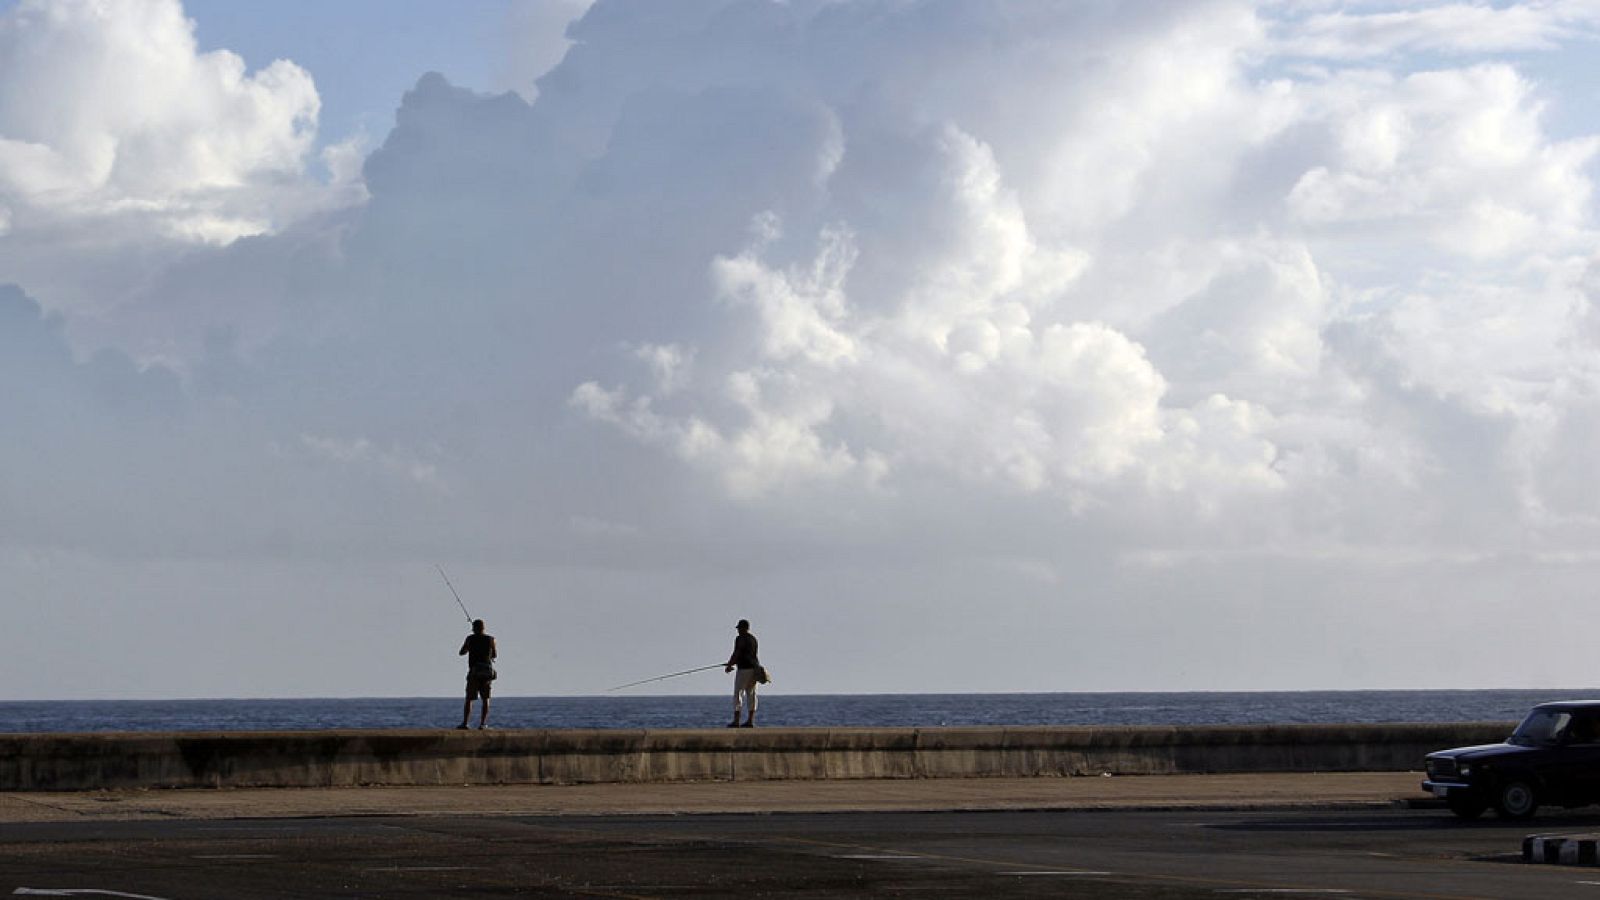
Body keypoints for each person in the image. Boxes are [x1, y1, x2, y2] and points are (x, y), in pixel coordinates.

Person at [458, 619, 497, 730]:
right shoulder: (491, 640)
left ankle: (465, 723)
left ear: (474, 628)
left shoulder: (470, 639)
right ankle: (483, 724)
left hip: (474, 672)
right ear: (483, 628)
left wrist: (469, 648)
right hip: (486, 672)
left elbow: (461, 652)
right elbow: (494, 655)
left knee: (469, 698)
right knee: (486, 699)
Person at [724, 618, 760, 728]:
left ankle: (736, 721)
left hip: (744, 669)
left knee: (738, 694)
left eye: (739, 628)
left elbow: (737, 652)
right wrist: (732, 663)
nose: (738, 630)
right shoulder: (753, 639)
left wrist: (730, 665)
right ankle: (750, 721)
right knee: (751, 694)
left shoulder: (740, 639)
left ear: (744, 628)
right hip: (754, 669)